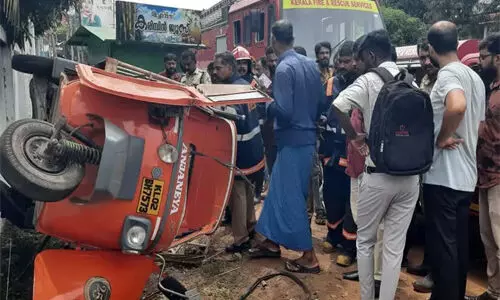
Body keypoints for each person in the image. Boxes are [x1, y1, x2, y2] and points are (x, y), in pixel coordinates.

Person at [332, 29, 420, 300]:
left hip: (378, 173)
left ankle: (367, 297)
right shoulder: (411, 82)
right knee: (394, 247)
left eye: (359, 59)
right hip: (410, 177)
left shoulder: (369, 80)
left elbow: (338, 106)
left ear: (371, 55)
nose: (357, 64)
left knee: (366, 242)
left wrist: (355, 136)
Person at [249, 20, 325, 274]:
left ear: (273, 40)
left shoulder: (283, 69)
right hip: (306, 138)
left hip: (291, 139)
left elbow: (284, 111)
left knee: (290, 198)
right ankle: (270, 242)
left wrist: (265, 101)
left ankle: (309, 256)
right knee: (278, 194)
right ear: (292, 38)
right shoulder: (311, 65)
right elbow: (320, 103)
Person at [423, 21, 485, 300]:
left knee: (443, 248)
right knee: (458, 246)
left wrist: (442, 137)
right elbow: (480, 126)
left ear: (430, 48)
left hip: (444, 175)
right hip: (465, 176)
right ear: (457, 43)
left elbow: (456, 106)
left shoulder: (448, 75)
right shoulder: (474, 78)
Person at [213, 51, 266, 253]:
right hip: (253, 147)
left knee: (237, 194)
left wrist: (213, 111)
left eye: (218, 68)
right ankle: (251, 226)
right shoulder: (245, 83)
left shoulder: (231, 89)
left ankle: (240, 239)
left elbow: (234, 116)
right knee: (247, 190)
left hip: (240, 150)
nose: (216, 72)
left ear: (229, 67)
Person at [465, 33, 500, 300]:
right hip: (486, 174)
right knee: (488, 238)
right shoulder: (492, 87)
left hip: (499, 175)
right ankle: (493, 290)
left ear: (498, 58)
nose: (481, 61)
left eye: (484, 56)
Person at [320, 41, 358, 267]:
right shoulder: (330, 84)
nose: (343, 66)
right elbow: (322, 111)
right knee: (331, 198)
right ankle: (332, 236)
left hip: (353, 154)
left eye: (347, 62)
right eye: (340, 62)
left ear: (356, 61)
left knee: (352, 203)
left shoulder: (362, 83)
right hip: (331, 154)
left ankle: (348, 246)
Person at [409, 40, 439, 294]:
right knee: (427, 215)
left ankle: (436, 270)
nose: (425, 62)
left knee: (438, 219)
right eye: (421, 58)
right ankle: (429, 261)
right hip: (424, 159)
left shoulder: (449, 80)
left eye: (428, 57)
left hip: (442, 159)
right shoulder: (426, 81)